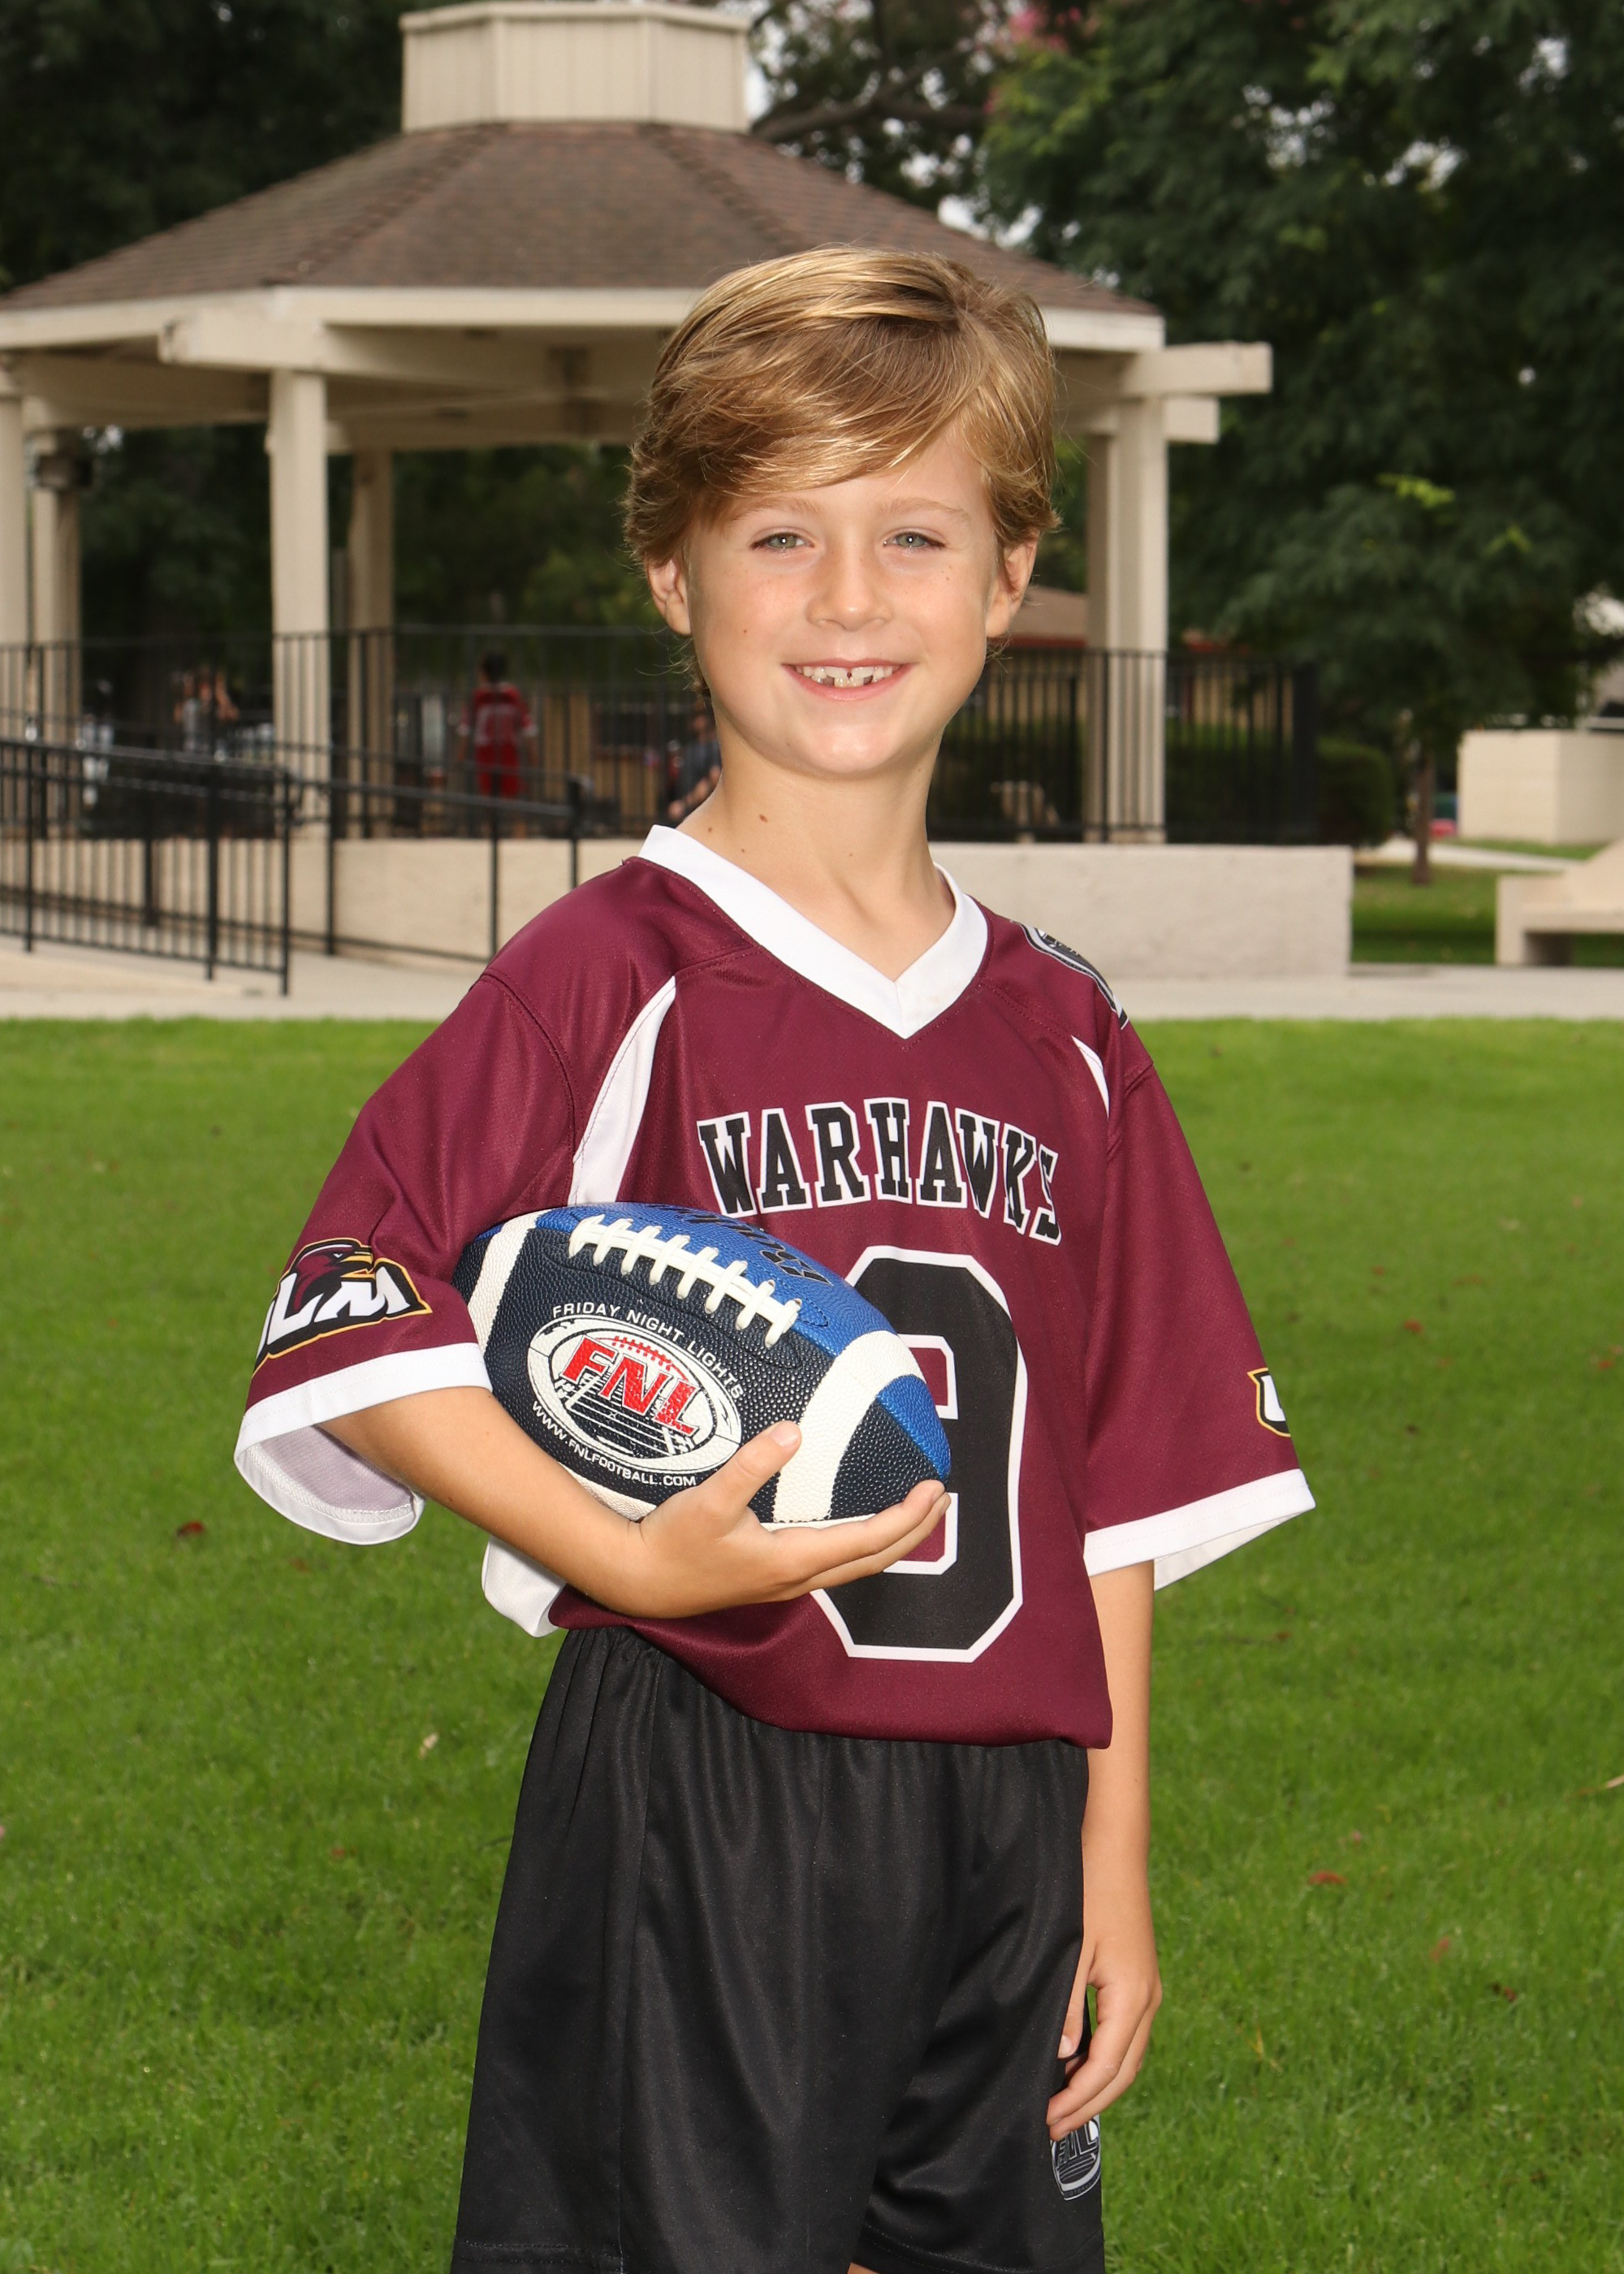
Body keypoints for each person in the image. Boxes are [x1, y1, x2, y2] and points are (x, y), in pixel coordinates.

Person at [234, 249, 1313, 2274]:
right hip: (702, 1777)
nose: (845, 597)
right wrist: (624, 1555)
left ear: (1007, 578)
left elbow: (1111, 1492)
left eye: (914, 534)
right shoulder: (610, 969)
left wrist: (1111, 1853)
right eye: (778, 534)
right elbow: (350, 1316)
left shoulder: (1067, 1029)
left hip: (1009, 1816)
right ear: (673, 572)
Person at [458, 647, 537, 802]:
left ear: (484, 672)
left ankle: (491, 817)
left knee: (488, 798)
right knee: (512, 797)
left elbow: (465, 730)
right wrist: (534, 757)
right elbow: (528, 729)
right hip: (508, 752)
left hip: (486, 754)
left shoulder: (479, 698)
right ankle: (514, 818)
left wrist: (460, 757)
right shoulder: (512, 696)